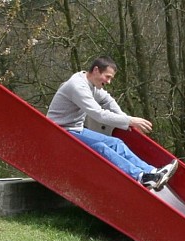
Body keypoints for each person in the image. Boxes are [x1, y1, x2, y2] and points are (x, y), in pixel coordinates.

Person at [47, 56, 177, 191]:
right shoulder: (77, 86)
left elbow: (108, 101)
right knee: (100, 147)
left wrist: (125, 119)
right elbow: (98, 114)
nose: (108, 82)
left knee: (116, 143)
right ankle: (140, 176)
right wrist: (129, 121)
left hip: (75, 129)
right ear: (96, 70)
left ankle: (153, 172)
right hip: (59, 131)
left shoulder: (92, 85)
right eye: (107, 77)